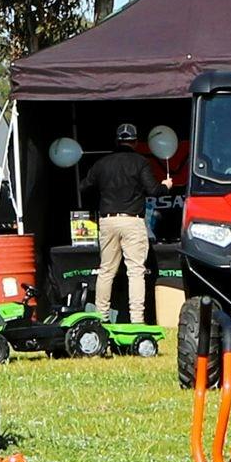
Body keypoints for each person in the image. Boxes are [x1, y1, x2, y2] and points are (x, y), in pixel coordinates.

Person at [77, 122, 159, 344]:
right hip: (132, 221)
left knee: (106, 271)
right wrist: (166, 186)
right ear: (135, 142)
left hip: (107, 220)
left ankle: (101, 318)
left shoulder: (102, 163)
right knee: (136, 271)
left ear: (116, 141)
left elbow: (84, 187)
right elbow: (153, 190)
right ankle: (137, 320)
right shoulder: (140, 162)